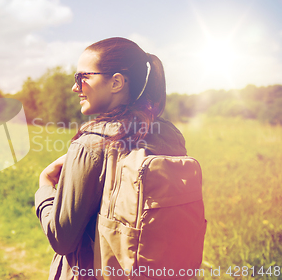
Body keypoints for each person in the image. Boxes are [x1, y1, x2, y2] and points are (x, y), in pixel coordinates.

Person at [35, 37, 187, 279]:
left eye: (82, 77)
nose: (76, 87)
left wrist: (44, 186)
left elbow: (62, 239)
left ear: (116, 82)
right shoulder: (170, 135)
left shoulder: (89, 144)